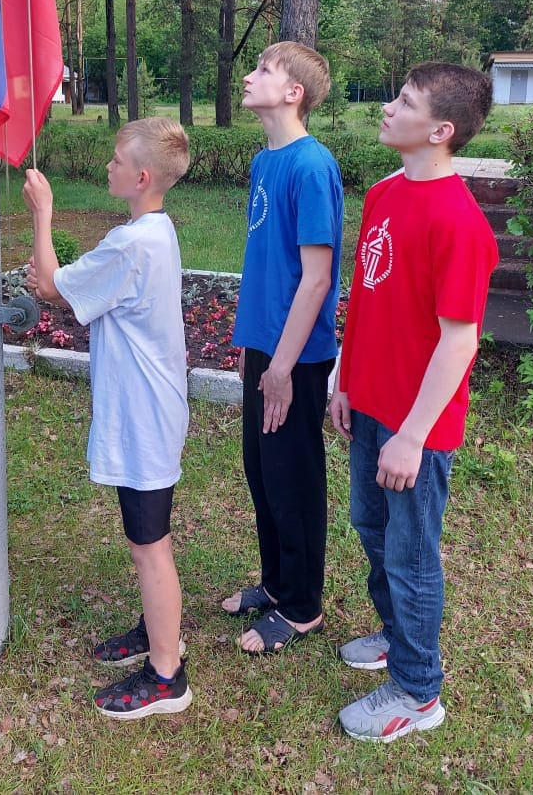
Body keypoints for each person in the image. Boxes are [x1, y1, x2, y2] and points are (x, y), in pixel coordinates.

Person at [329, 62, 499, 743]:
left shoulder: (459, 223)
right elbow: (369, 299)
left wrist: (411, 435)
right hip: (370, 403)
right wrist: (346, 378)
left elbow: (459, 342)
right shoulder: (383, 193)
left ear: (440, 130)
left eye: (403, 102)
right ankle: (397, 635)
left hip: (415, 428)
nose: (387, 108)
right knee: (371, 530)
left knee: (411, 555)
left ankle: (417, 691)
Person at [22, 117, 192, 720]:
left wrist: (43, 213)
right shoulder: (155, 230)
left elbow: (49, 285)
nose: (108, 167)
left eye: (117, 160)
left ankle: (167, 676)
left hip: (144, 420)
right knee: (145, 537)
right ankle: (155, 631)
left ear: (142, 177)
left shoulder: (131, 244)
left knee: (150, 546)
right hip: (153, 411)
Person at [222, 41, 344, 654]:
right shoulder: (263, 161)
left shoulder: (311, 166)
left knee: (293, 478)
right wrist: (253, 346)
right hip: (265, 347)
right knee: (263, 471)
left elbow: (316, 279)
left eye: (264, 69)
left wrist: (284, 368)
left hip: (297, 356)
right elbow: (267, 264)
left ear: (293, 93)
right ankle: (275, 583)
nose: (249, 76)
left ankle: (301, 607)